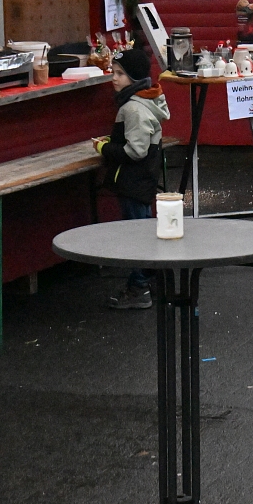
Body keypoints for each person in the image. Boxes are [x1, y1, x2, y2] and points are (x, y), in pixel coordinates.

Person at [99, 45, 171, 309]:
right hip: (143, 181)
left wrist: (105, 148)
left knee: (136, 235)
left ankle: (139, 287)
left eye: (120, 73)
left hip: (132, 181)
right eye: (113, 72)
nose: (114, 78)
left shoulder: (133, 108)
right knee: (144, 229)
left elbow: (135, 151)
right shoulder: (146, 101)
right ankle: (152, 279)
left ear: (134, 77)